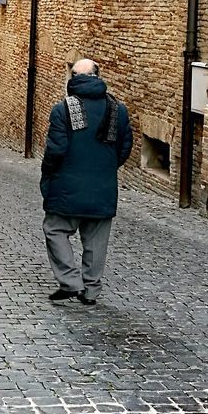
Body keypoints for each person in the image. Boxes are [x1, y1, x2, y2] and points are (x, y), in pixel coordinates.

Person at [40, 58, 133, 305]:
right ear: (97, 76)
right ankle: (91, 291)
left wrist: (48, 174)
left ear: (73, 78)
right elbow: (125, 148)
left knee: (55, 230)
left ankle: (70, 282)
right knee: (96, 242)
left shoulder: (63, 109)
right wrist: (105, 168)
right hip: (103, 188)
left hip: (66, 188)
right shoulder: (118, 109)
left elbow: (56, 151)